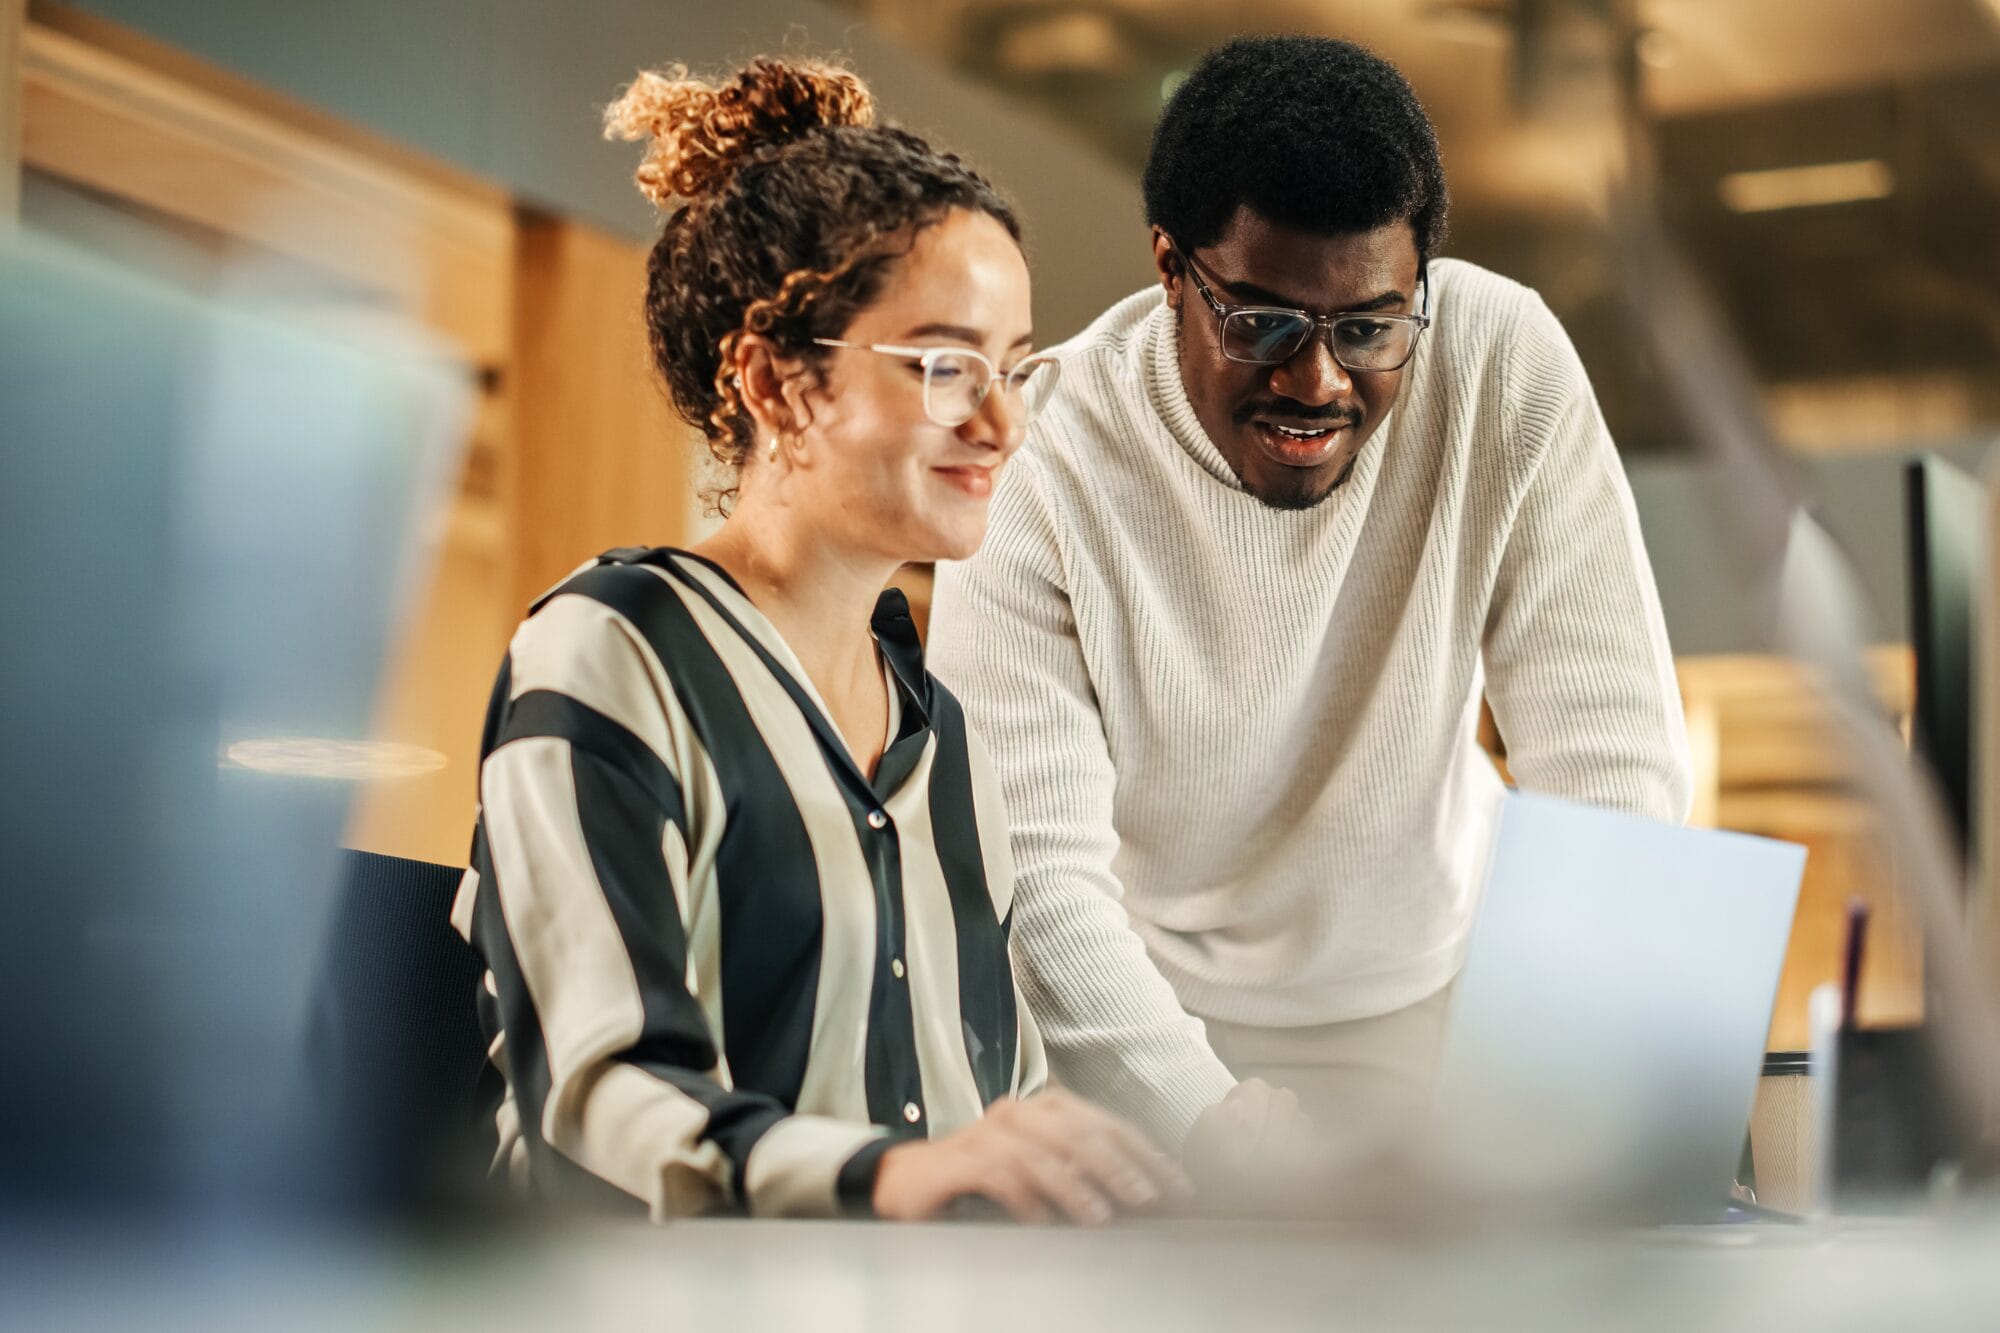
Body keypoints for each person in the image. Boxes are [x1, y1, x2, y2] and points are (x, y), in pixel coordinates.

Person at [928, 36, 1692, 1158]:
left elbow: (1610, 767)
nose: (1317, 381)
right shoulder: (1042, 461)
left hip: (1433, 1003)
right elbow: (1036, 878)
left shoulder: (1498, 363)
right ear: (1167, 268)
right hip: (1139, 1029)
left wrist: (1557, 1104)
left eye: (1369, 328)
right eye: (1262, 324)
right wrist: (1209, 1124)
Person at [450, 56, 1184, 1223]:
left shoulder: (946, 742)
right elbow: (597, 1095)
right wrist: (887, 1177)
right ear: (775, 383)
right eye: (946, 365)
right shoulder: (615, 648)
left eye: (1014, 368)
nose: (1000, 422)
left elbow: (998, 1112)